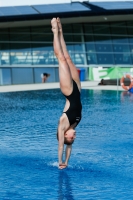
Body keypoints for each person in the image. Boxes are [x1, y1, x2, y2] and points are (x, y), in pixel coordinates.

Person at [51, 17, 82, 169]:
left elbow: (62, 147)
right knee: (68, 58)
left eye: (72, 137)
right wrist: (68, 162)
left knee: (61, 59)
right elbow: (70, 148)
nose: (74, 135)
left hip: (69, 91)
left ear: (64, 136)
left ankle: (55, 32)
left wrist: (61, 162)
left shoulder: (63, 125)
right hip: (78, 89)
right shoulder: (74, 125)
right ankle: (61, 30)